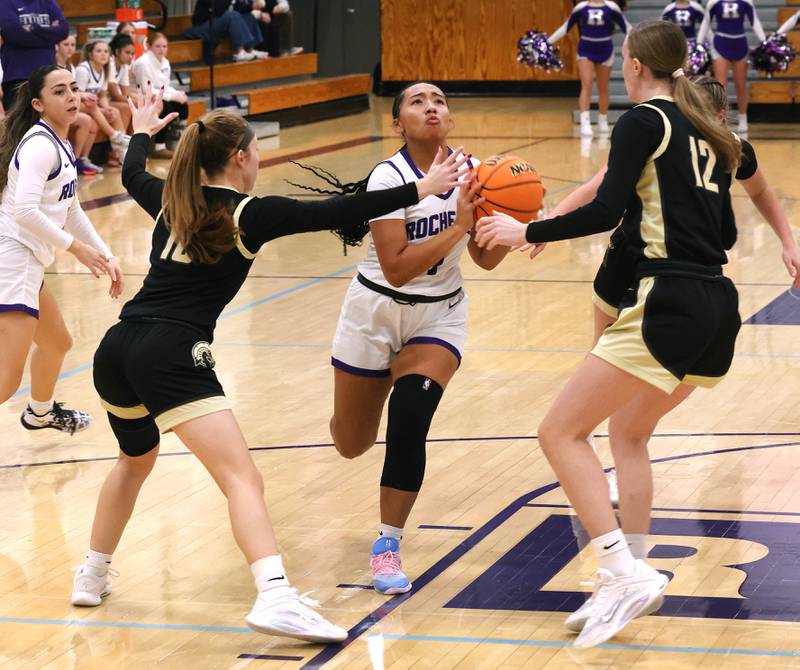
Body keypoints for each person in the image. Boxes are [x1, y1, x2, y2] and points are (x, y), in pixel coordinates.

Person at [70, 83, 467, 642]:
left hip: (116, 350)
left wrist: (136, 132)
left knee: (133, 463)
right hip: (171, 352)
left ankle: (91, 574)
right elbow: (338, 210)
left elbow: (133, 172)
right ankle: (276, 596)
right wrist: (420, 187)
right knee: (242, 478)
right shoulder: (248, 214)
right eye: (254, 152)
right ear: (240, 157)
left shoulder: (171, 200)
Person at [475, 20, 743, 648]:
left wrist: (527, 232)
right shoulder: (705, 131)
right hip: (719, 305)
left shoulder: (643, 121)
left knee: (558, 432)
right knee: (628, 431)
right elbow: (727, 235)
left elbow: (605, 207)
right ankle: (628, 574)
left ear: (633, 63)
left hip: (667, 301)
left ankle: (620, 570)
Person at [316, 82, 508, 596]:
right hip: (374, 313)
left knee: (410, 420)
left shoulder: (477, 174)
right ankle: (351, 408)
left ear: (449, 117)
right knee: (351, 444)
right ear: (399, 123)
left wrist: (509, 227)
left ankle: (386, 545)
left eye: (440, 100)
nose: (431, 107)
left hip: (438, 317)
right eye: (418, 101)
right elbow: (398, 269)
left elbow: (485, 259)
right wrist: (460, 226)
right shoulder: (387, 178)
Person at [0, 65, 122, 435]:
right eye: (59, 91)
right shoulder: (39, 146)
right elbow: (24, 211)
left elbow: (71, 210)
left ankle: (40, 413)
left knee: (57, 343)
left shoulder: (59, 143)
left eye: (73, 88)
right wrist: (77, 250)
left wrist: (105, 252)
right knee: (6, 378)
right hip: (13, 258)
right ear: (38, 103)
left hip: (27, 260)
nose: (71, 96)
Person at [548, 1, 629, 137]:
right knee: (587, 85)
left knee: (603, 87)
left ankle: (602, 120)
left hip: (605, 48)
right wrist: (548, 42)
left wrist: (642, 41)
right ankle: (585, 121)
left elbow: (627, 28)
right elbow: (565, 27)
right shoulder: (581, 7)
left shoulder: (611, 6)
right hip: (586, 48)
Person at [697, 0, 765, 135]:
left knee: (740, 84)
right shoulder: (713, 2)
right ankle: (721, 120)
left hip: (740, 44)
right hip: (721, 43)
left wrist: (764, 42)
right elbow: (705, 23)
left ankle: (743, 118)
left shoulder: (746, 2)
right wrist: (698, 44)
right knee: (720, 85)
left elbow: (755, 22)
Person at [0, 0, 68, 110]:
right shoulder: (5, 3)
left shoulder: (48, 2)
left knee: (49, 123)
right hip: (18, 78)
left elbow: (63, 31)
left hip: (48, 77)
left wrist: (33, 28)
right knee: (20, 125)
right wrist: (50, 33)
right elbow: (15, 34)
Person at [130, 32, 188, 159]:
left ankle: (178, 142)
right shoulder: (143, 63)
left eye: (164, 46)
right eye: (158, 46)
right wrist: (171, 97)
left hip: (157, 94)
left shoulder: (165, 62)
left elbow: (165, 85)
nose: (162, 49)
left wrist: (177, 94)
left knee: (183, 104)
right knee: (165, 106)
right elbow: (146, 89)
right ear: (149, 46)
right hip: (140, 96)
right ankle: (159, 147)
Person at [75, 41, 131, 167]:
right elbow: (78, 97)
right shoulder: (83, 70)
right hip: (76, 105)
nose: (103, 54)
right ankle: (115, 136)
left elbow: (102, 96)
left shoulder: (104, 70)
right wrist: (101, 110)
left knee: (114, 112)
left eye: (106, 51)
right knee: (92, 106)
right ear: (90, 55)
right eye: (99, 51)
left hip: (92, 108)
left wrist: (106, 108)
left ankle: (121, 154)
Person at [54, 34, 102, 176]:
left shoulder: (70, 66)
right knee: (88, 115)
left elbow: (73, 90)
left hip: (67, 104)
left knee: (93, 124)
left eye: (73, 45)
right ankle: (72, 161)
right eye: (66, 44)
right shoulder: (52, 65)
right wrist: (82, 95)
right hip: (55, 106)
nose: (70, 48)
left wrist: (81, 94)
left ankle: (82, 159)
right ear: (57, 46)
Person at [182, 0, 268, 62]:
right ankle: (240, 52)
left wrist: (252, 6)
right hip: (202, 26)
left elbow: (238, 8)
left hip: (217, 23)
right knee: (232, 15)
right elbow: (218, 10)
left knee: (247, 15)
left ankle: (250, 49)